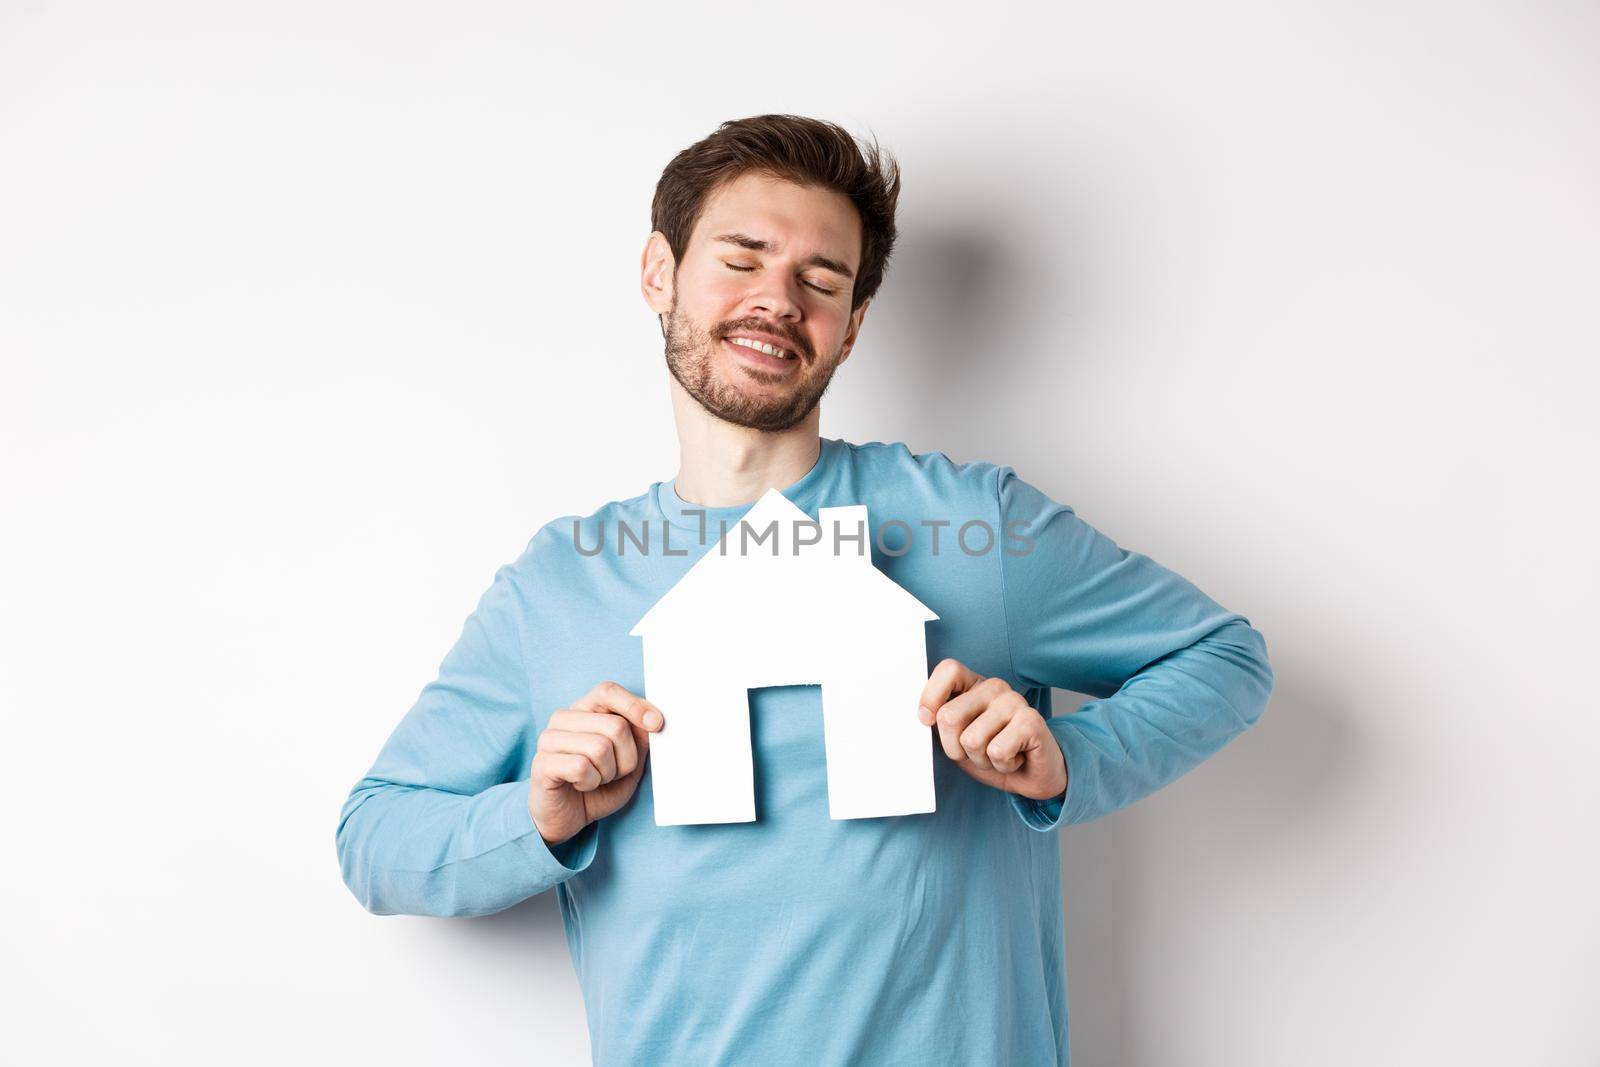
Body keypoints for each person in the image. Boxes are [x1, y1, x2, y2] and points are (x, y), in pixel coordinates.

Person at [335, 113, 1274, 1066]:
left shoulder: (977, 528)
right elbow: (376, 837)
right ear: (660, 272)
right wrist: (534, 817)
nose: (777, 299)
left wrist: (1066, 758)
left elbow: (1225, 658)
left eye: (820, 281)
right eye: (742, 259)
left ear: (852, 325)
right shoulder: (559, 585)